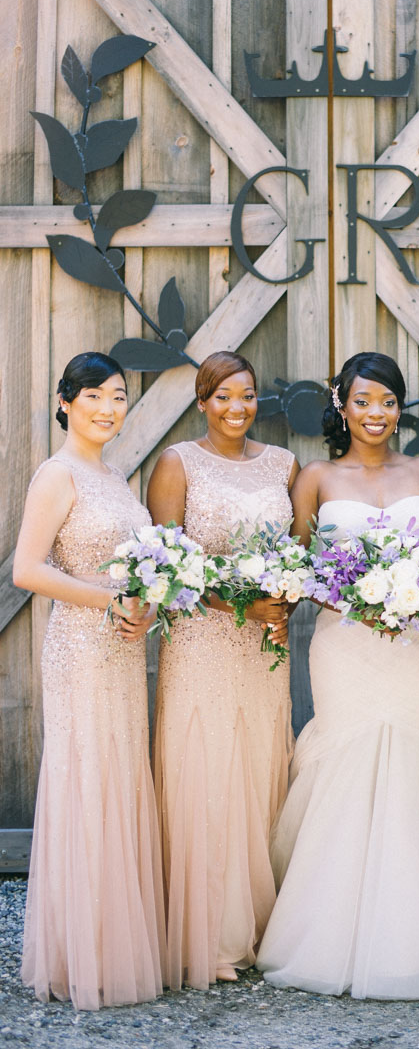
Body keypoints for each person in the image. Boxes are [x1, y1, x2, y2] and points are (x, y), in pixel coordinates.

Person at [256, 351, 419, 998]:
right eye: (364, 401)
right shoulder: (315, 476)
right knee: (346, 754)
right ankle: (327, 927)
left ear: (401, 409)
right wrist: (345, 594)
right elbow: (296, 568)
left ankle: (417, 928)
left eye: (389, 402)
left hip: (414, 644)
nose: (377, 414)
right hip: (344, 642)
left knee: (409, 756)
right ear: (341, 404)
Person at [13, 351, 165, 1009]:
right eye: (96, 396)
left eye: (119, 397)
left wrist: (147, 605)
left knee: (119, 776)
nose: (109, 408)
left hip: (124, 651)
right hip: (79, 648)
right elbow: (27, 569)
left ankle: (115, 943)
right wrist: (106, 601)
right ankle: (81, 955)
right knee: (86, 781)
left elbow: (139, 568)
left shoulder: (115, 476)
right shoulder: (58, 474)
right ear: (66, 401)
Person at [147, 351, 298, 989]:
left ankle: (260, 928)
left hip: (265, 648)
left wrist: (283, 597)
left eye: (247, 395)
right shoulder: (177, 464)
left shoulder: (284, 466)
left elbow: (298, 552)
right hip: (202, 641)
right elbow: (166, 565)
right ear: (202, 402)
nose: (236, 408)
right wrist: (235, 601)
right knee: (205, 768)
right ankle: (206, 934)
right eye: (222, 396)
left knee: (260, 766)